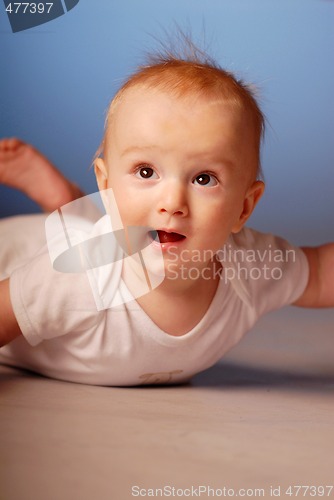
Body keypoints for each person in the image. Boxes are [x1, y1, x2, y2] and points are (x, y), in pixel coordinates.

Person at [0, 48, 333, 386]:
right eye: (146, 172)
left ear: (244, 208)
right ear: (105, 185)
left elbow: (320, 274)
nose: (172, 203)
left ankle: (67, 205)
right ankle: (64, 203)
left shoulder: (249, 265)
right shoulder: (75, 275)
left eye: (204, 179)